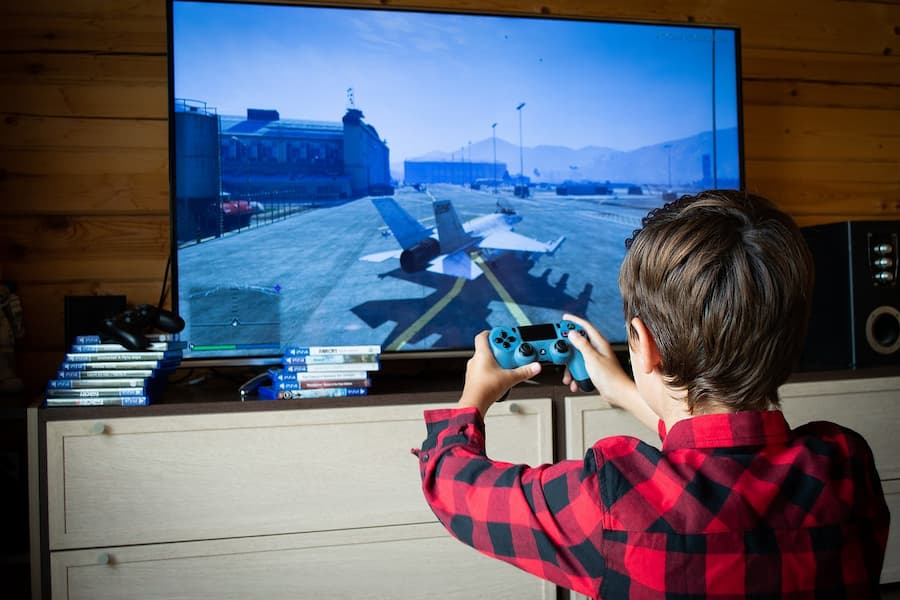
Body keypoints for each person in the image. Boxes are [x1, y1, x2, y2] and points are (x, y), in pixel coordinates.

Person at [414, 190, 890, 598]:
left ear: (643, 344)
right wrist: (622, 388)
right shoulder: (846, 467)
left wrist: (473, 396)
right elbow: (720, 451)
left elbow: (454, 487)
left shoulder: (611, 499)